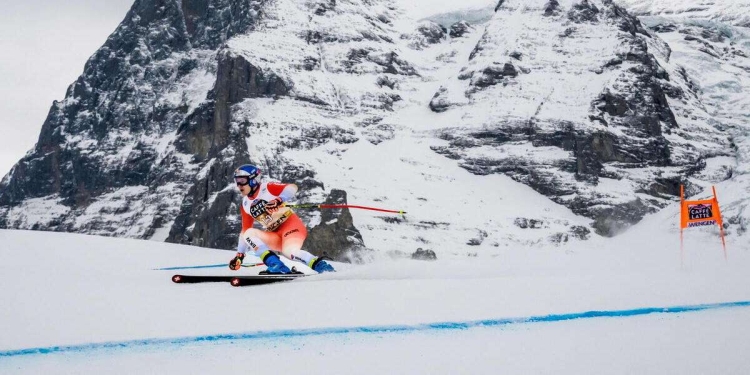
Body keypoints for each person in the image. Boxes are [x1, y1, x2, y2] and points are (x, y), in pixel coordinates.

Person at [229, 164, 335, 274]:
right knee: (249, 233)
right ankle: (276, 266)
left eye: (242, 180)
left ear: (253, 180)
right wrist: (239, 256)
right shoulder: (245, 204)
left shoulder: (267, 188)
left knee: (289, 252)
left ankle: (322, 267)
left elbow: (292, 187)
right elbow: (244, 231)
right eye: (237, 181)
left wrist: (279, 199)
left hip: (291, 226)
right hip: (275, 235)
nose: (239, 185)